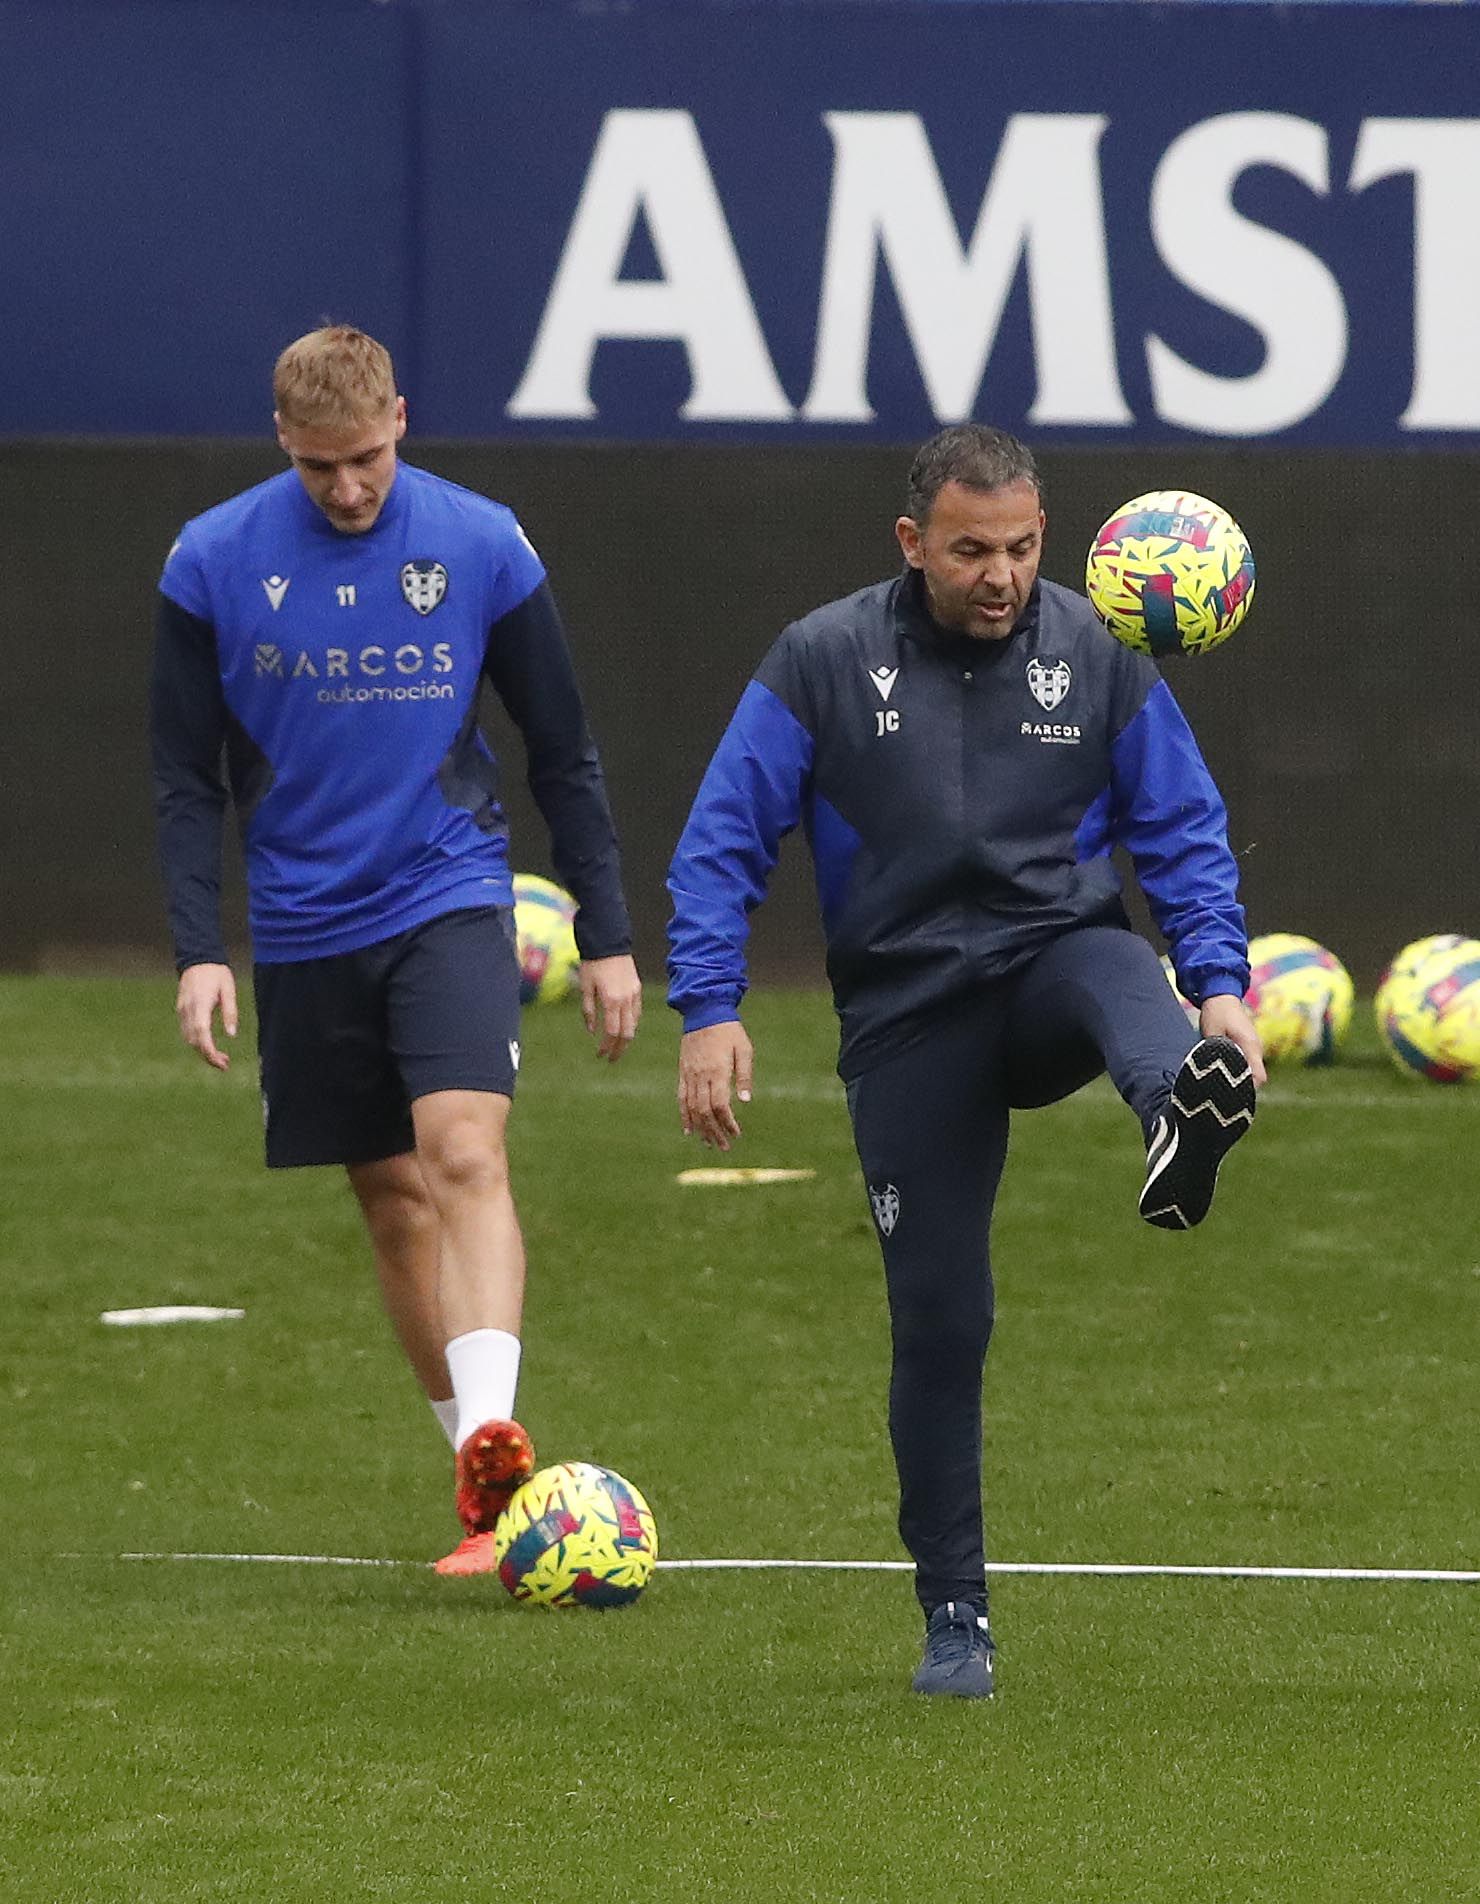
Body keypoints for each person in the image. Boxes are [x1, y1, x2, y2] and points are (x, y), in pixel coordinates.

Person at [667, 424, 1263, 1698]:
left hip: (1051, 970)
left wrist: (1222, 990)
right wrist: (707, 1006)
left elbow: (1182, 829)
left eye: (1023, 546)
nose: (1001, 575)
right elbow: (723, 835)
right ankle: (956, 1617)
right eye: (971, 550)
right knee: (943, 1321)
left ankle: (1178, 1108)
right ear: (912, 543)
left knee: (1112, 960)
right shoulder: (822, 656)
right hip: (907, 1019)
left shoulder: (1098, 648)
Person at [151, 325, 641, 1575]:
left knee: (463, 1149)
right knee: (389, 1200)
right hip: (306, 920)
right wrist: (200, 947)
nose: (349, 488)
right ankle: (478, 1495)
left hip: (449, 885)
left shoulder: (482, 542)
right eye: (320, 468)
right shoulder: (211, 561)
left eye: (366, 458)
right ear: (283, 444)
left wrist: (609, 937)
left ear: (401, 421)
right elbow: (183, 777)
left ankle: (497, 1440)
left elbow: (562, 747)